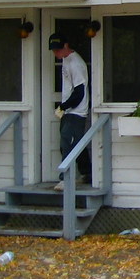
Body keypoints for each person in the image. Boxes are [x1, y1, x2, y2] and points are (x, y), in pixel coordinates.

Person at [48, 33, 91, 190]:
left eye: (58, 50)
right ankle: (86, 173)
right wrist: (64, 107)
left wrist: (64, 106)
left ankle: (65, 178)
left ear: (66, 46)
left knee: (67, 141)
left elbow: (80, 92)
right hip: (68, 110)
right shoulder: (65, 60)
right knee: (77, 142)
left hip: (77, 111)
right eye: (54, 51)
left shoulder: (76, 63)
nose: (56, 54)